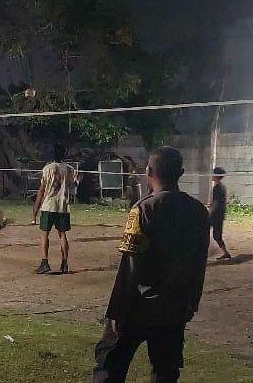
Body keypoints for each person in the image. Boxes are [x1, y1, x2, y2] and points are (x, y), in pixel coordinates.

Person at [92, 146, 209, 383]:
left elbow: (130, 267)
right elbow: (200, 263)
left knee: (110, 364)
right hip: (175, 307)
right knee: (165, 371)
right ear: (181, 173)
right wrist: (191, 303)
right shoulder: (198, 211)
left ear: (149, 172)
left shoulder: (143, 209)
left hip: (138, 307)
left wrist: (116, 312)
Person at [32, 144, 76, 274]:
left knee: (45, 234)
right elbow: (72, 186)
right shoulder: (69, 169)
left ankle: (44, 262)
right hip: (62, 206)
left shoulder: (48, 168)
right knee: (62, 234)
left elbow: (42, 189)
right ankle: (65, 263)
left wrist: (35, 209)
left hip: (49, 205)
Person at [209, 167, 232, 260]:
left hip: (216, 214)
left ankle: (225, 253)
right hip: (219, 214)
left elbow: (216, 202)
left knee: (215, 235)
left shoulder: (217, 188)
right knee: (216, 235)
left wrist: (209, 212)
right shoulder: (222, 187)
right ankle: (225, 253)